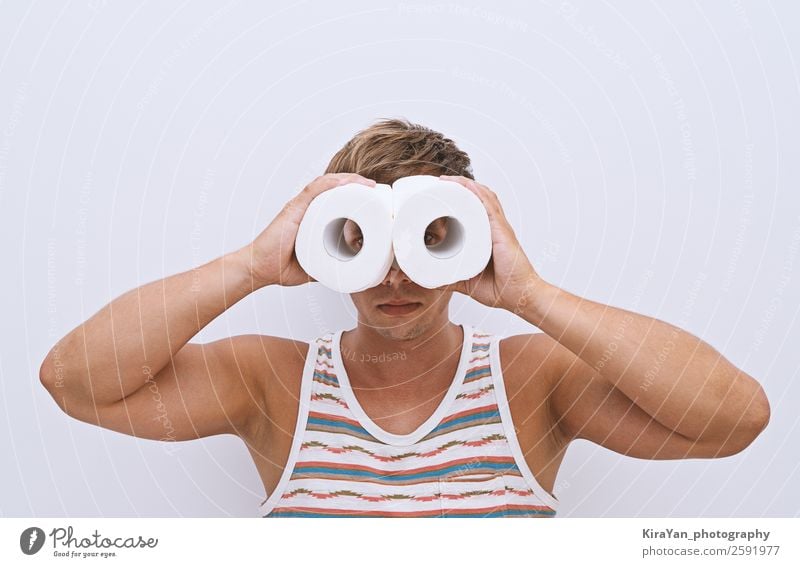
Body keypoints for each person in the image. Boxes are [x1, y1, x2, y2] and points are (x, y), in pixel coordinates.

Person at [39, 118, 771, 518]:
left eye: (427, 243)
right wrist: (253, 264)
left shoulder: (530, 380)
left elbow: (735, 417)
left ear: (463, 239)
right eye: (362, 241)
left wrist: (530, 294)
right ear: (331, 245)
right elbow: (73, 380)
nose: (395, 276)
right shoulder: (273, 382)